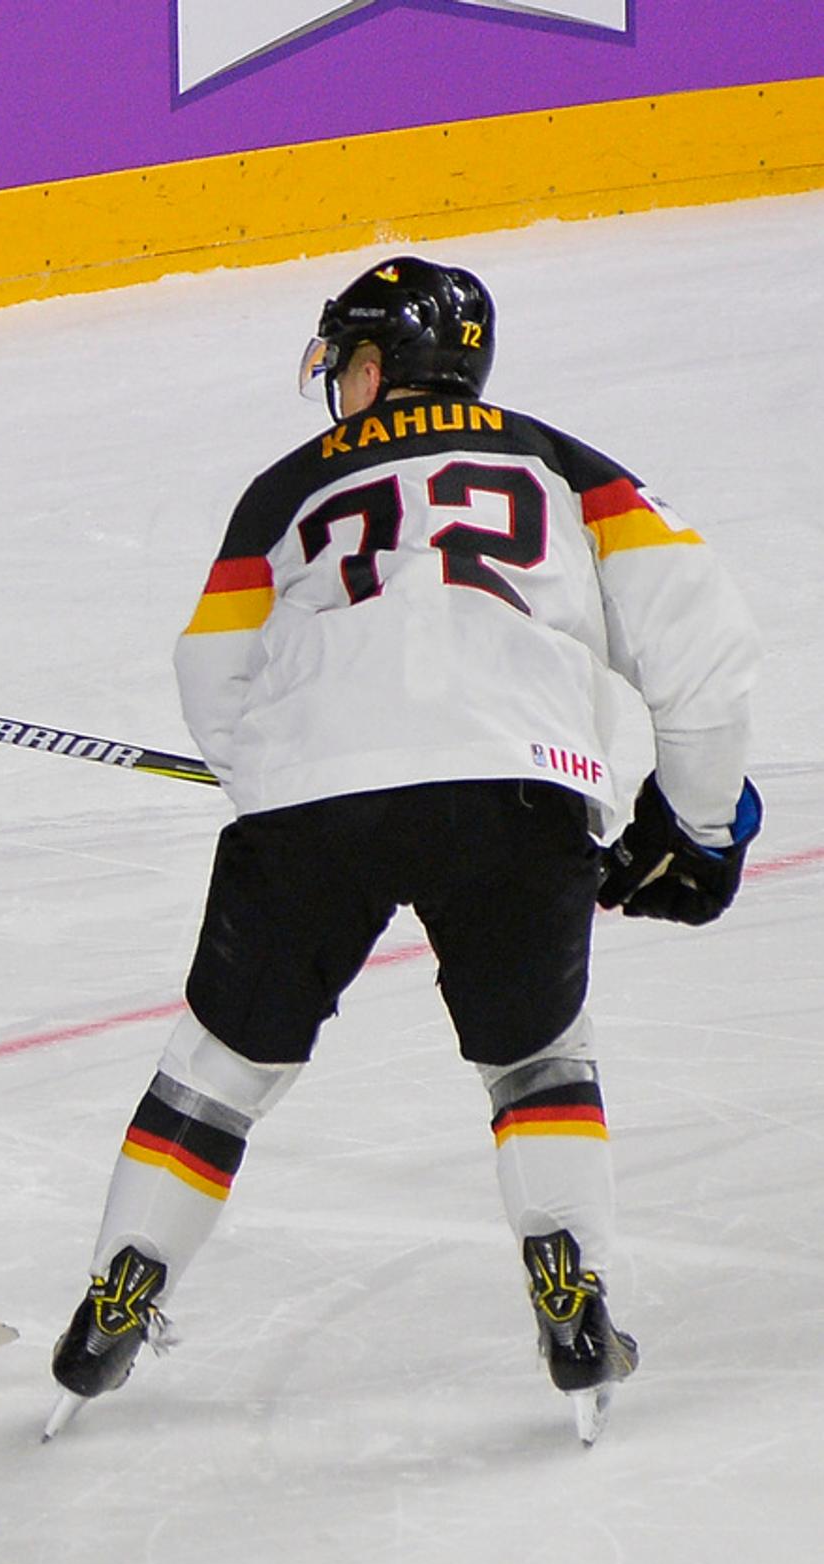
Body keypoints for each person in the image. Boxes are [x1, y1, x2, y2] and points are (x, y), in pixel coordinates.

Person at [46, 257, 762, 1443]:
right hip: (517, 791)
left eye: (347, 364)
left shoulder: (285, 486)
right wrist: (695, 825)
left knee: (218, 1069)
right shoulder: (564, 463)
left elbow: (213, 674)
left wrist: (273, 770)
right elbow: (702, 641)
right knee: (537, 1060)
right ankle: (571, 1289)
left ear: (376, 365)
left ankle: (124, 1286)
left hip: (313, 805)